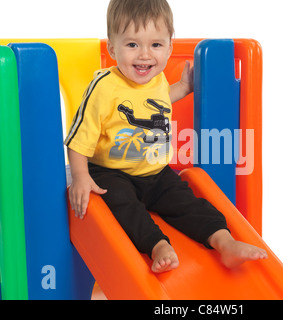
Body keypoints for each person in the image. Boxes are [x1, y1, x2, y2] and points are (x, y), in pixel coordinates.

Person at [65, 0, 267, 273]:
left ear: (169, 48)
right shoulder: (104, 87)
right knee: (123, 205)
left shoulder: (156, 80)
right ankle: (157, 244)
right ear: (113, 48)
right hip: (112, 173)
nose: (144, 55)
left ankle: (224, 242)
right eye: (132, 45)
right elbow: (79, 136)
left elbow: (160, 102)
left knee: (190, 203)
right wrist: (80, 177)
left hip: (157, 173)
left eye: (155, 45)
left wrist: (182, 88)